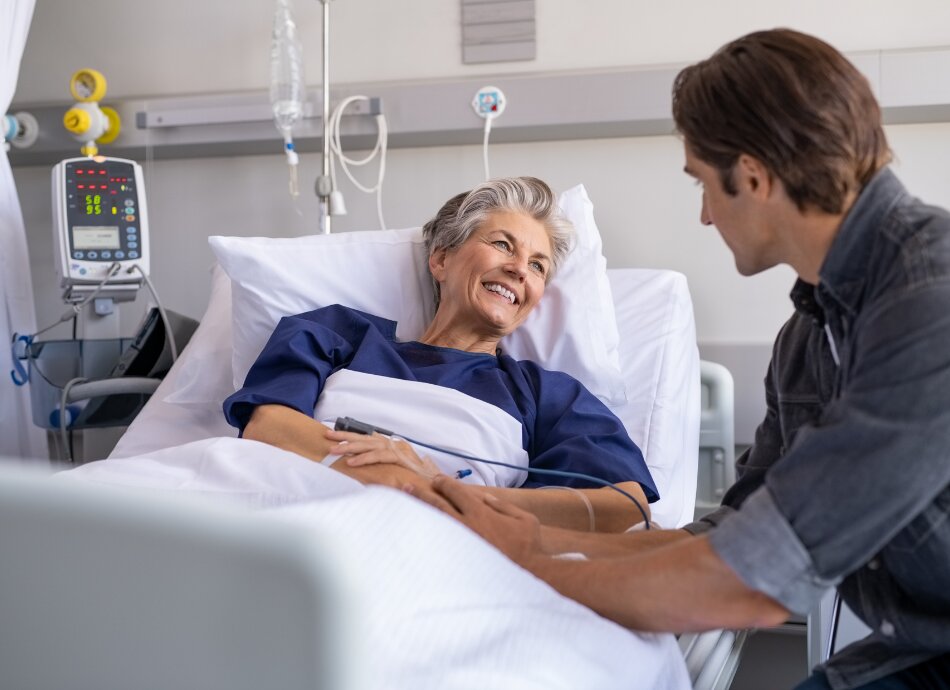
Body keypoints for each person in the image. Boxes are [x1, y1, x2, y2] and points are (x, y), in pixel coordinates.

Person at [419, 29, 950, 690]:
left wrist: (531, 563)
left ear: (752, 176)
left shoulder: (932, 294)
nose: (703, 215)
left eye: (703, 184)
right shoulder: (808, 341)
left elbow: (751, 581)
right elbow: (732, 532)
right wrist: (538, 537)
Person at [223, 176, 658, 533]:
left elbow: (624, 505)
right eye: (504, 245)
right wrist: (390, 475)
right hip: (278, 511)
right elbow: (267, 425)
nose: (520, 268)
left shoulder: (547, 395)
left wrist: (441, 490)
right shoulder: (341, 333)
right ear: (441, 260)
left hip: (428, 541)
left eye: (538, 265)